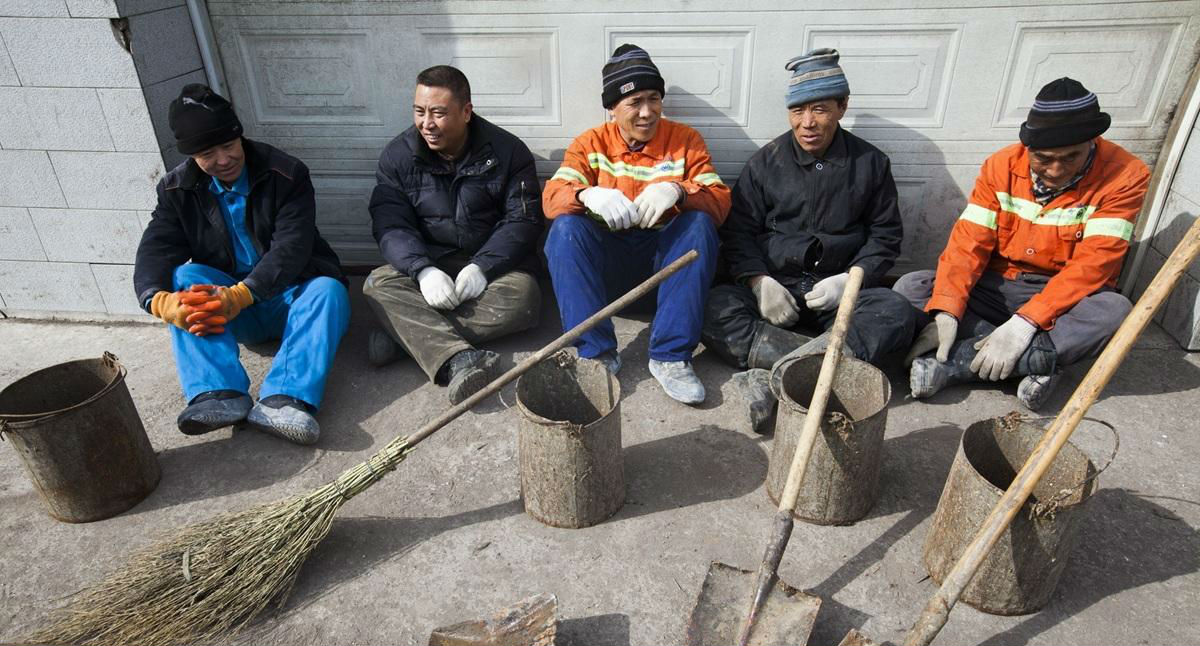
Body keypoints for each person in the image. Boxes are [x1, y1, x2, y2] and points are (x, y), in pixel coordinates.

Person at [894, 77, 1149, 410]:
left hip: (1061, 295)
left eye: (1070, 158)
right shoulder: (1001, 165)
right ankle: (1036, 362)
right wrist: (947, 308)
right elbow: (967, 244)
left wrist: (1026, 323)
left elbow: (1094, 265)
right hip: (996, 286)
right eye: (1043, 159)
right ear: (1028, 147)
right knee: (911, 286)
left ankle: (958, 365)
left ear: (1093, 142)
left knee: (1115, 311)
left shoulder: (1126, 175)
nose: (1056, 170)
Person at [700, 49, 918, 432]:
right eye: (797, 111)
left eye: (819, 109)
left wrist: (851, 280)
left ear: (842, 106)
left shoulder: (871, 164)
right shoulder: (765, 162)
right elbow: (738, 232)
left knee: (896, 311)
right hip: (777, 289)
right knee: (709, 307)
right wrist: (758, 281)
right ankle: (820, 367)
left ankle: (771, 377)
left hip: (836, 294)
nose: (807, 123)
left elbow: (885, 236)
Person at [134, 84, 350, 445]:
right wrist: (156, 299)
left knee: (328, 288)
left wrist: (241, 294)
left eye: (229, 146)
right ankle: (218, 393)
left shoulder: (287, 174)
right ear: (190, 156)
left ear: (240, 136)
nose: (223, 159)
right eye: (207, 153)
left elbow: (292, 248)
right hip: (231, 311)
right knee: (185, 277)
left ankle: (284, 398)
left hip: (288, 297)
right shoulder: (175, 189)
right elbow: (156, 246)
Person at [542, 44, 730, 405]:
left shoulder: (685, 141)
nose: (647, 113)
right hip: (609, 271)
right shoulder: (591, 143)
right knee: (564, 230)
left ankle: (671, 357)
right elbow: (552, 197)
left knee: (699, 225)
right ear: (612, 108)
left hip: (664, 272)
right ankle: (594, 354)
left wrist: (679, 191)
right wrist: (585, 195)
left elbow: (720, 200)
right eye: (634, 103)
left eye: (654, 99)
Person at [362, 65, 543, 404]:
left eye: (439, 113)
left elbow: (524, 220)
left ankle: (405, 336)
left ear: (466, 111)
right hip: (431, 262)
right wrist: (422, 269)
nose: (426, 123)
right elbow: (390, 224)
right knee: (376, 285)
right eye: (419, 111)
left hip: (491, 266)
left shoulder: (509, 152)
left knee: (525, 297)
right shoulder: (397, 156)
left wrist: (483, 267)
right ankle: (459, 358)